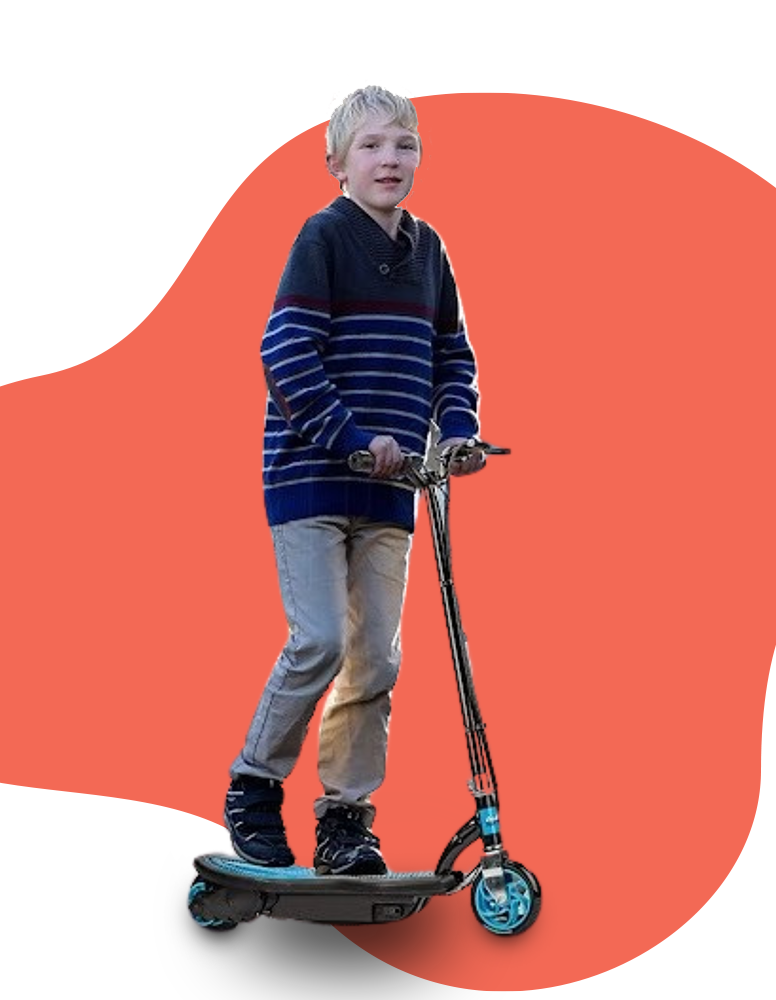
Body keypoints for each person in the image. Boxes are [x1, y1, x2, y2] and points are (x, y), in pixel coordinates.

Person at [225, 85, 485, 876]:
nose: (390, 160)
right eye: (371, 146)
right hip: (310, 476)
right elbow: (286, 354)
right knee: (322, 640)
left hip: (390, 489)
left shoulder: (430, 251)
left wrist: (460, 432)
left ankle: (345, 818)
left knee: (376, 655)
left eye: (403, 145)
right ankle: (254, 784)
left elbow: (451, 359)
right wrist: (347, 438)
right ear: (336, 162)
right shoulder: (324, 238)